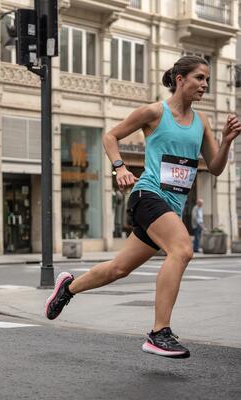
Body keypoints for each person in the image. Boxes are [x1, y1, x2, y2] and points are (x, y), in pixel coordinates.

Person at [44, 55, 241, 359]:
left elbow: (214, 168)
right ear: (180, 79)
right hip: (147, 195)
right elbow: (110, 136)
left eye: (207, 80)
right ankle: (159, 333)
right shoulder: (153, 113)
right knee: (182, 250)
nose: (205, 85)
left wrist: (227, 141)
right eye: (199, 78)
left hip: (171, 206)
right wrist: (120, 167)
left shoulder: (202, 121)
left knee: (118, 268)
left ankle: (67, 289)